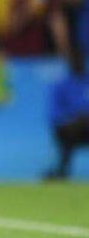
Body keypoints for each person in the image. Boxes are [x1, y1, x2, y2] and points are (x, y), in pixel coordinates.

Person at [45, 49, 89, 180]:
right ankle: (62, 170)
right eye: (75, 61)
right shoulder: (62, 85)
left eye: (80, 60)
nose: (78, 63)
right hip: (70, 129)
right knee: (74, 126)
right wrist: (75, 119)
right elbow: (55, 115)